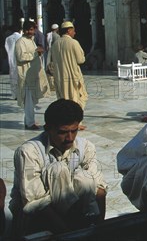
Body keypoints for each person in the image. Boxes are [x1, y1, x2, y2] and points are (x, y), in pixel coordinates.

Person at [9, 99, 107, 236]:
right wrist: (69, 234)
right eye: (63, 132)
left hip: (78, 217)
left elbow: (99, 190)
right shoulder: (29, 152)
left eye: (74, 131)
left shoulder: (85, 147)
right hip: (38, 221)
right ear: (48, 128)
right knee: (58, 170)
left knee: (85, 179)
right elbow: (37, 203)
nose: (70, 138)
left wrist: (99, 228)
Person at [51, 21, 88, 129]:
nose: (74, 33)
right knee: (77, 99)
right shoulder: (73, 42)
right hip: (72, 76)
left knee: (64, 100)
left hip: (60, 77)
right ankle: (75, 123)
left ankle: (67, 123)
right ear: (68, 30)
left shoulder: (55, 44)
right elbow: (81, 59)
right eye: (73, 30)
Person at [15, 20, 49, 130]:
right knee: (28, 101)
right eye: (29, 30)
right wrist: (36, 53)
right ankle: (30, 123)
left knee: (32, 100)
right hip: (26, 76)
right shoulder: (21, 42)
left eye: (32, 29)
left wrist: (38, 52)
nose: (30, 32)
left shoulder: (31, 40)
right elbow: (21, 57)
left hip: (33, 75)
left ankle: (28, 121)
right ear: (24, 30)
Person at [5, 23, 22, 99]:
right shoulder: (21, 38)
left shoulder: (8, 38)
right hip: (20, 60)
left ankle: (15, 95)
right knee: (20, 77)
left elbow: (7, 49)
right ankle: (20, 94)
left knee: (13, 77)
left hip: (11, 60)